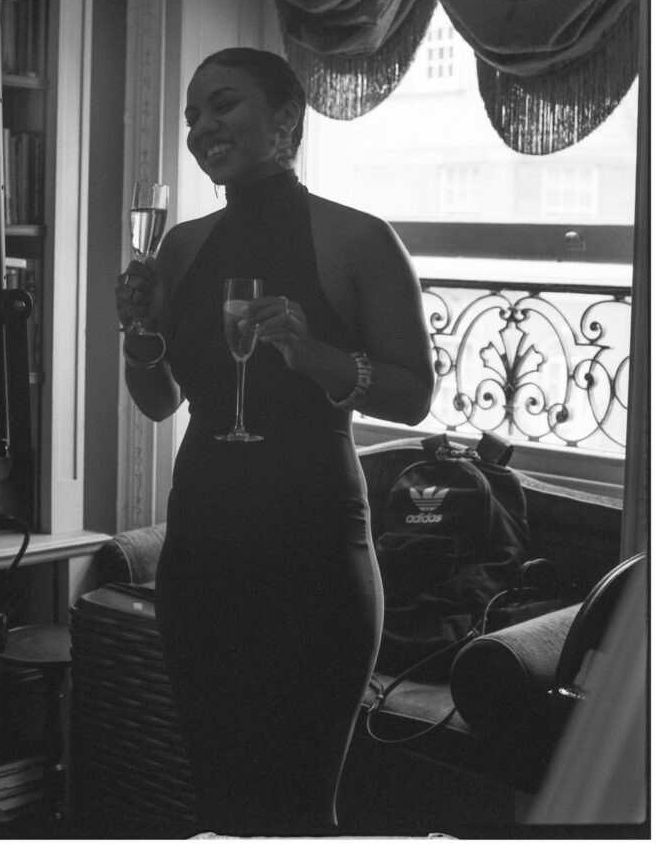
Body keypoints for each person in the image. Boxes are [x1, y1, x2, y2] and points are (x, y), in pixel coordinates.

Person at [115, 47, 434, 836]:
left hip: (313, 554)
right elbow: (159, 402)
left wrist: (315, 355)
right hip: (201, 551)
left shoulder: (358, 238)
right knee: (220, 799)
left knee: (299, 805)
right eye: (192, 114)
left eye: (223, 104)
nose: (201, 126)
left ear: (286, 117)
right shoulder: (181, 246)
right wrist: (137, 335)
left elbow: (414, 396)